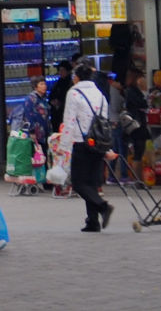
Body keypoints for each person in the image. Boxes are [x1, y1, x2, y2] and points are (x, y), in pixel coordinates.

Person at [57, 61, 112, 233]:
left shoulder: (74, 93)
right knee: (92, 183)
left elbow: (69, 121)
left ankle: (103, 206)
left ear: (77, 77)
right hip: (99, 142)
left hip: (82, 142)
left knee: (79, 183)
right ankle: (92, 221)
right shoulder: (99, 93)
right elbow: (105, 120)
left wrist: (63, 145)